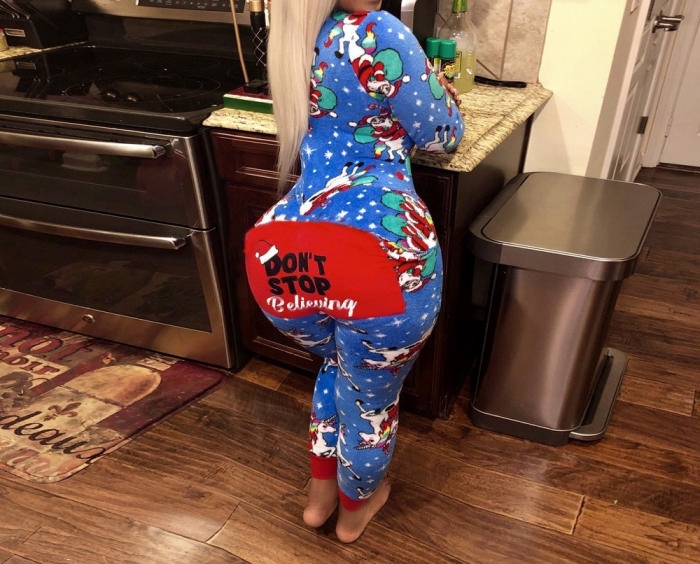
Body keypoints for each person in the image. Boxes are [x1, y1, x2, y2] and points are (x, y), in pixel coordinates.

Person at [244, 0, 464, 543]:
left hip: (285, 251)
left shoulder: (295, 32)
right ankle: (354, 511)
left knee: (340, 366)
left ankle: (320, 498)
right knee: (371, 396)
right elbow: (443, 133)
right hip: (380, 251)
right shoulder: (377, 31)